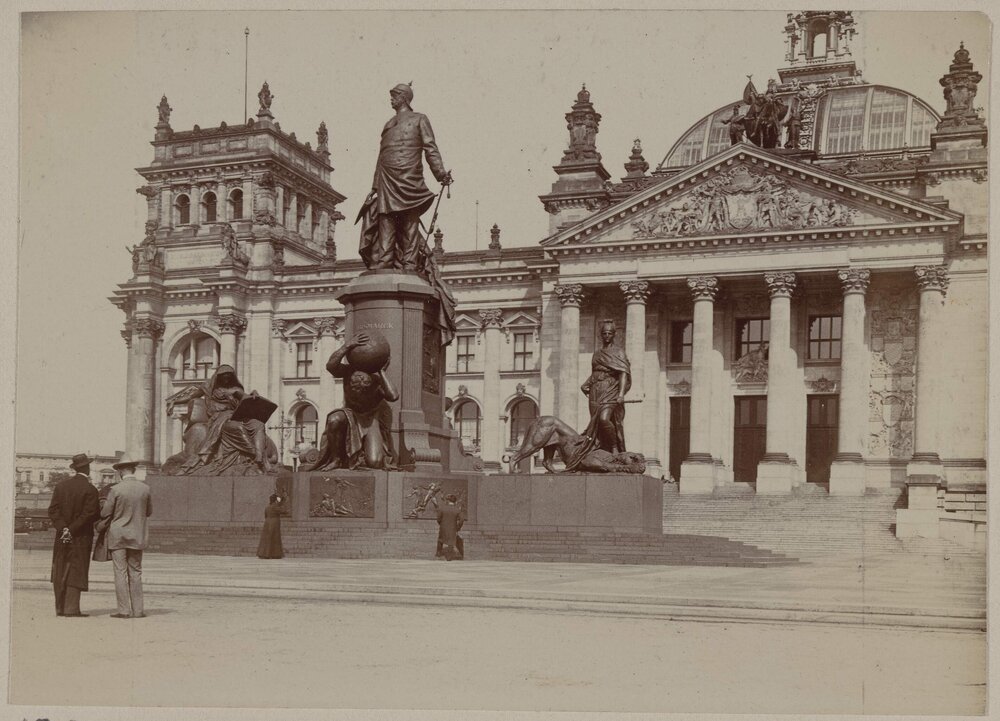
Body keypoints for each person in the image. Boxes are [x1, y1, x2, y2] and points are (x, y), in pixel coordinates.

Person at [358, 83, 453, 272]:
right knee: (386, 219)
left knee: (410, 219)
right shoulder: (388, 124)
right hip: (387, 177)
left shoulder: (420, 119)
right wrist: (375, 187)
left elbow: (430, 148)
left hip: (410, 176)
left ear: (404, 97)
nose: (391, 99)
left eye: (394, 95)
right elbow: (381, 156)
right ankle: (384, 261)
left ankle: (410, 263)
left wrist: (440, 173)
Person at [305, 332, 400, 471]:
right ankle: (336, 459)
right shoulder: (348, 371)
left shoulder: (378, 380)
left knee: (374, 462)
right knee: (335, 418)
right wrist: (347, 346)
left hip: (370, 419)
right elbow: (331, 366)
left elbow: (393, 396)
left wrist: (382, 371)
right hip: (350, 415)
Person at [166, 364, 275, 475]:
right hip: (219, 418)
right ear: (218, 376)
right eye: (224, 376)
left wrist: (254, 394)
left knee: (258, 424)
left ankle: (260, 457)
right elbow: (191, 396)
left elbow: (246, 397)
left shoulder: (235, 389)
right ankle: (256, 455)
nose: (226, 378)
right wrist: (174, 402)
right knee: (238, 428)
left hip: (236, 416)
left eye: (229, 376)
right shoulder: (208, 387)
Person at [101, 453, 153, 619]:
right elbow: (149, 511)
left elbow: (105, 513)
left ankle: (124, 610)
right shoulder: (145, 488)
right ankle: (138, 610)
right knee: (136, 572)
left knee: (120, 573)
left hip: (118, 536)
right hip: (137, 535)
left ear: (122, 471)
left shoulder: (116, 489)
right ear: (133, 470)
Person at [48, 453, 99, 617]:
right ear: (88, 468)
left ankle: (60, 608)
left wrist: (63, 528)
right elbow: (90, 514)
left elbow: (53, 510)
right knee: (77, 568)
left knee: (60, 567)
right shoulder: (90, 489)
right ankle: (72, 608)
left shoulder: (61, 486)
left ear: (75, 469)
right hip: (81, 536)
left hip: (61, 535)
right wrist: (72, 529)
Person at [574, 320, 631, 466]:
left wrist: (621, 394)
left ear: (614, 334)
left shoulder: (619, 352)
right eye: (604, 333)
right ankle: (600, 448)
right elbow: (595, 372)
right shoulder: (597, 354)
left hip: (611, 390)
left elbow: (624, 373)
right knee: (596, 422)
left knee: (604, 419)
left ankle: (614, 447)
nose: (606, 336)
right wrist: (586, 384)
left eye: (609, 333)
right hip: (595, 391)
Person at [435, 493, 465, 561]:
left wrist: (441, 524)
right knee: (451, 542)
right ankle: (449, 557)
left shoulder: (442, 508)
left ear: (448, 501)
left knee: (440, 540)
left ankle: (438, 554)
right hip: (453, 528)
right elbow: (462, 519)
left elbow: (438, 519)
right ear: (454, 501)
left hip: (443, 527)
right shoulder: (457, 510)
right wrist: (458, 527)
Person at [257, 493, 287, 559]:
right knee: (275, 538)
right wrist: (282, 502)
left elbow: (265, 515)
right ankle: (275, 554)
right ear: (275, 500)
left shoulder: (267, 507)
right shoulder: (275, 506)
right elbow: (284, 511)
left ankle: (264, 554)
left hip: (267, 523)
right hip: (274, 523)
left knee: (266, 538)